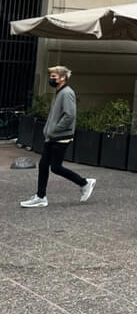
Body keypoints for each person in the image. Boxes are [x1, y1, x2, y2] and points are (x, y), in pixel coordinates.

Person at [20, 66, 96, 208]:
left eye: (54, 76)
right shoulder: (60, 92)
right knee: (44, 165)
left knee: (55, 167)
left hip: (61, 136)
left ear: (63, 78)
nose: (51, 79)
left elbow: (70, 115)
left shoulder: (67, 93)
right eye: (51, 76)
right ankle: (40, 197)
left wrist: (54, 129)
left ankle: (85, 183)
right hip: (54, 136)